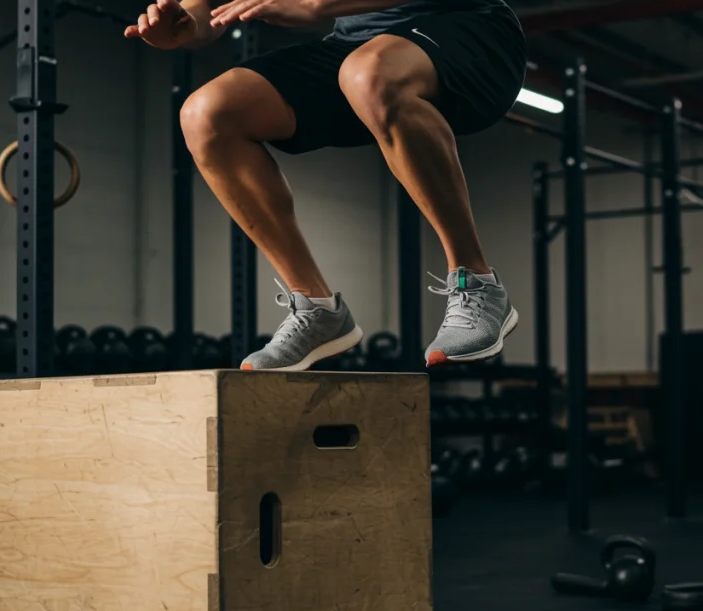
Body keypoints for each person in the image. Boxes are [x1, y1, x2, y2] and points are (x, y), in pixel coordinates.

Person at [125, 0, 525, 371]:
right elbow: (208, 7)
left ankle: (476, 282)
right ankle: (317, 309)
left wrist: (315, 4)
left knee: (369, 72)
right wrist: (187, 25)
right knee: (208, 113)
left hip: (470, 32)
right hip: (356, 49)